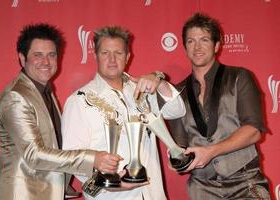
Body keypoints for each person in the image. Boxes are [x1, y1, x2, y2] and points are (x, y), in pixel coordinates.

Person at [0, 23, 122, 200]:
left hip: (47, 192)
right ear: (22, 58)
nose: (45, 62)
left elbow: (54, 144)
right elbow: (34, 155)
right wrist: (92, 158)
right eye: (37, 55)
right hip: (23, 195)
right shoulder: (16, 96)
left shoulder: (44, 90)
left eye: (51, 55)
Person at [61, 26, 186, 200]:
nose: (112, 59)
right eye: (105, 53)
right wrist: (111, 184)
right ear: (95, 55)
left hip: (153, 193)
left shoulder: (142, 90)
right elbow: (72, 160)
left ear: (127, 56)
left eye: (118, 53)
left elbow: (177, 110)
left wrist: (160, 82)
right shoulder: (79, 101)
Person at [168, 13, 271, 199]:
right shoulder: (177, 93)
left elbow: (254, 130)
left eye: (204, 40)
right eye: (191, 41)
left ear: (216, 45)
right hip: (201, 188)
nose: (197, 47)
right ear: (184, 47)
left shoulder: (239, 77)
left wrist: (211, 152)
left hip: (245, 183)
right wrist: (177, 158)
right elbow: (180, 143)